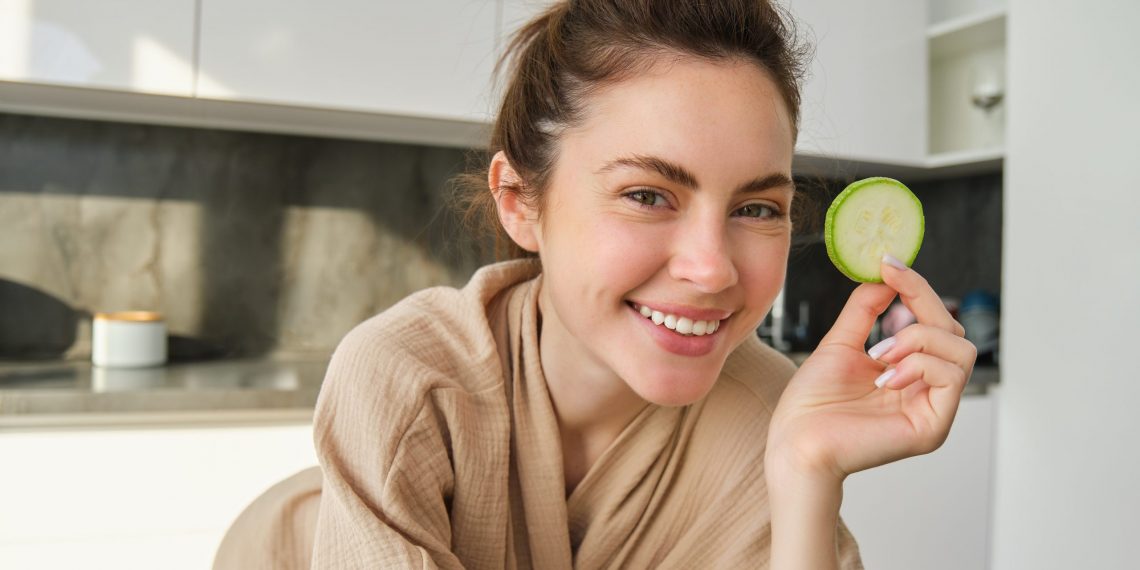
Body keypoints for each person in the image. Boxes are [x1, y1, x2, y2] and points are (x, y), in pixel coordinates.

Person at [213, 1, 976, 568]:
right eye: (648, 195)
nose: (711, 268)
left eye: (755, 208)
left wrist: (808, 476)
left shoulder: (774, 419)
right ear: (520, 202)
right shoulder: (407, 379)